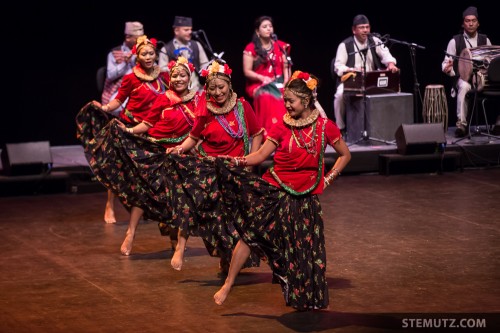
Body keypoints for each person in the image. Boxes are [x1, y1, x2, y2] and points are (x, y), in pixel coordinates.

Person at [212, 70, 351, 311]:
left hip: (306, 196)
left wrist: (328, 179)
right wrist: (238, 161)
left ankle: (304, 295)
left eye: (290, 101)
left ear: (305, 101)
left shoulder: (324, 127)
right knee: (250, 235)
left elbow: (345, 155)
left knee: (303, 248)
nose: (286, 105)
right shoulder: (280, 127)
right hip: (276, 192)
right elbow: (260, 156)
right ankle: (228, 283)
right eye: (284, 100)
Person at [165, 59, 264, 271]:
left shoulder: (242, 106)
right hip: (209, 166)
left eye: (221, 87)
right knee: (194, 202)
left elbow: (257, 134)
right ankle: (180, 247)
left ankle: (225, 257)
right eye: (212, 88)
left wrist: (250, 161)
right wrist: (180, 149)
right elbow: (193, 136)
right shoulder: (206, 108)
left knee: (231, 218)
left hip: (236, 168)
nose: (217, 92)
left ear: (229, 85)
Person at [78, 35, 169, 256]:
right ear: (137, 55)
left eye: (151, 53)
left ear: (156, 55)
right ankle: (112, 207)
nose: (148, 57)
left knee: (155, 182)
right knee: (120, 171)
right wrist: (105, 108)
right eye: (144, 53)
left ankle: (170, 233)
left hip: (154, 134)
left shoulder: (164, 77)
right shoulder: (130, 78)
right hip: (130, 129)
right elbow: (119, 100)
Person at [115, 56, 200, 254]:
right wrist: (129, 131)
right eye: (175, 76)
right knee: (145, 192)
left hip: (184, 154)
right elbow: (147, 124)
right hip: (159, 151)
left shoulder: (198, 100)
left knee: (180, 200)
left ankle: (176, 241)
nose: (178, 79)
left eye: (182, 75)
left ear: (189, 77)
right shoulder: (163, 98)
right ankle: (131, 232)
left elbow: (201, 130)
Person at [100, 21, 144, 224]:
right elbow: (110, 75)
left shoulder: (146, 53)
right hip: (118, 109)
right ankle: (110, 204)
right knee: (117, 159)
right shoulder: (116, 53)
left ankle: (143, 204)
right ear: (129, 38)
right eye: (138, 36)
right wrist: (128, 61)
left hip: (140, 110)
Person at [333, 14, 398, 136]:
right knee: (339, 95)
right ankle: (340, 127)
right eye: (362, 27)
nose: (365, 30)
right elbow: (338, 66)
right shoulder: (345, 45)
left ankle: (386, 128)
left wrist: (390, 64)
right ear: (354, 30)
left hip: (371, 80)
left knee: (392, 90)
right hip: (352, 80)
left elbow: (386, 55)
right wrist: (351, 69)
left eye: (367, 27)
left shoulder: (375, 41)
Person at [442, 6, 492, 138]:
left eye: (473, 20)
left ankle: (498, 123)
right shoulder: (455, 41)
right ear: (463, 23)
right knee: (464, 87)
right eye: (467, 21)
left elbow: (490, 60)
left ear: (478, 23)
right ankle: (462, 125)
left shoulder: (485, 40)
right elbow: (445, 63)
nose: (470, 23)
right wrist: (448, 68)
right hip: (463, 78)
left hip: (482, 79)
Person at [243, 15, 291, 138]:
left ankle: (287, 132)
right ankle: (269, 134)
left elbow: (286, 66)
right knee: (266, 97)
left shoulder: (281, 46)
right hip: (259, 84)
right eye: (264, 27)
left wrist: (286, 81)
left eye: (270, 26)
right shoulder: (251, 49)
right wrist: (262, 78)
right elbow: (247, 71)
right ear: (257, 31)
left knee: (291, 94)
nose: (268, 29)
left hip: (279, 81)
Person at [158, 16, 210, 93]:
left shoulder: (196, 45)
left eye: (191, 29)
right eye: (186, 30)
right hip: (176, 91)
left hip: (197, 88)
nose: (190, 32)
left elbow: (204, 64)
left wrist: (207, 70)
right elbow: (161, 70)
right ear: (176, 31)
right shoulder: (166, 49)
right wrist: (175, 68)